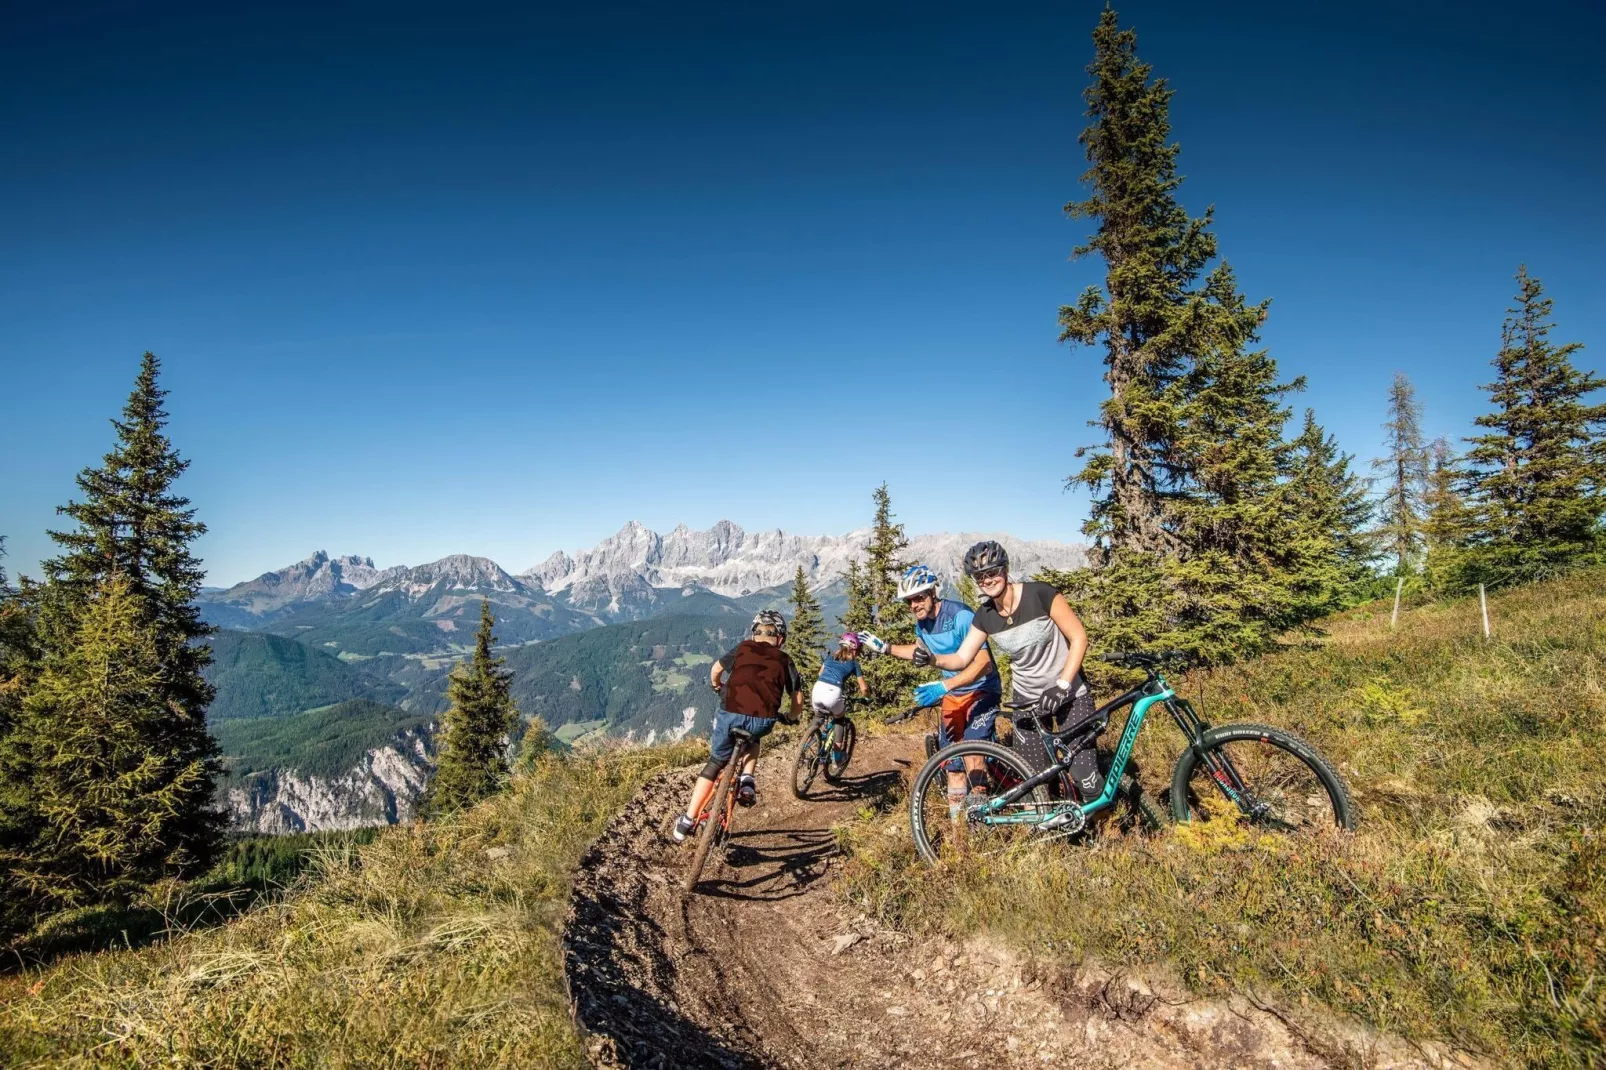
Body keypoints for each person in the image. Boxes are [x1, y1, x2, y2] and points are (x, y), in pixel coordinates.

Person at [925, 541, 1104, 801]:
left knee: (1084, 774)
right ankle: (1058, 831)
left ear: (1005, 570)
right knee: (1037, 779)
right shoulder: (985, 615)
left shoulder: (1040, 595)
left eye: (992, 572)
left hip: (1069, 692)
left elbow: (1078, 637)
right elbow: (962, 657)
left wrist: (1063, 684)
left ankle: (1102, 829)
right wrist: (932, 659)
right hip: (1027, 698)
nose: (987, 580)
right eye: (979, 577)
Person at [858, 563, 1002, 815]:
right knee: (953, 764)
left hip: (982, 691)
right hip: (952, 696)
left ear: (932, 592)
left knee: (972, 750)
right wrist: (885, 648)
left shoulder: (961, 615)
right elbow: (920, 653)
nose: (914, 605)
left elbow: (984, 664)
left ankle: (983, 817)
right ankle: (960, 832)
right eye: (909, 602)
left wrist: (944, 685)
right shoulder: (922, 624)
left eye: (918, 597)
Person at [672, 609, 804, 843]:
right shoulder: (785, 660)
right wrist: (792, 718)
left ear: (754, 633)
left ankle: (686, 822)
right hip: (763, 720)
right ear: (781, 639)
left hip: (730, 714)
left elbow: (715, 670)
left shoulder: (743, 647)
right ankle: (747, 780)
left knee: (714, 763)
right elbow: (797, 698)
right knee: (754, 738)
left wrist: (717, 687)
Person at [811, 632, 869, 759]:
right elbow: (864, 688)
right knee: (839, 720)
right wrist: (867, 697)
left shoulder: (830, 657)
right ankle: (837, 757)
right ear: (855, 649)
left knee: (819, 716)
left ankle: (807, 741)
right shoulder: (854, 663)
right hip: (833, 692)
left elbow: (820, 673)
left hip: (817, 688)